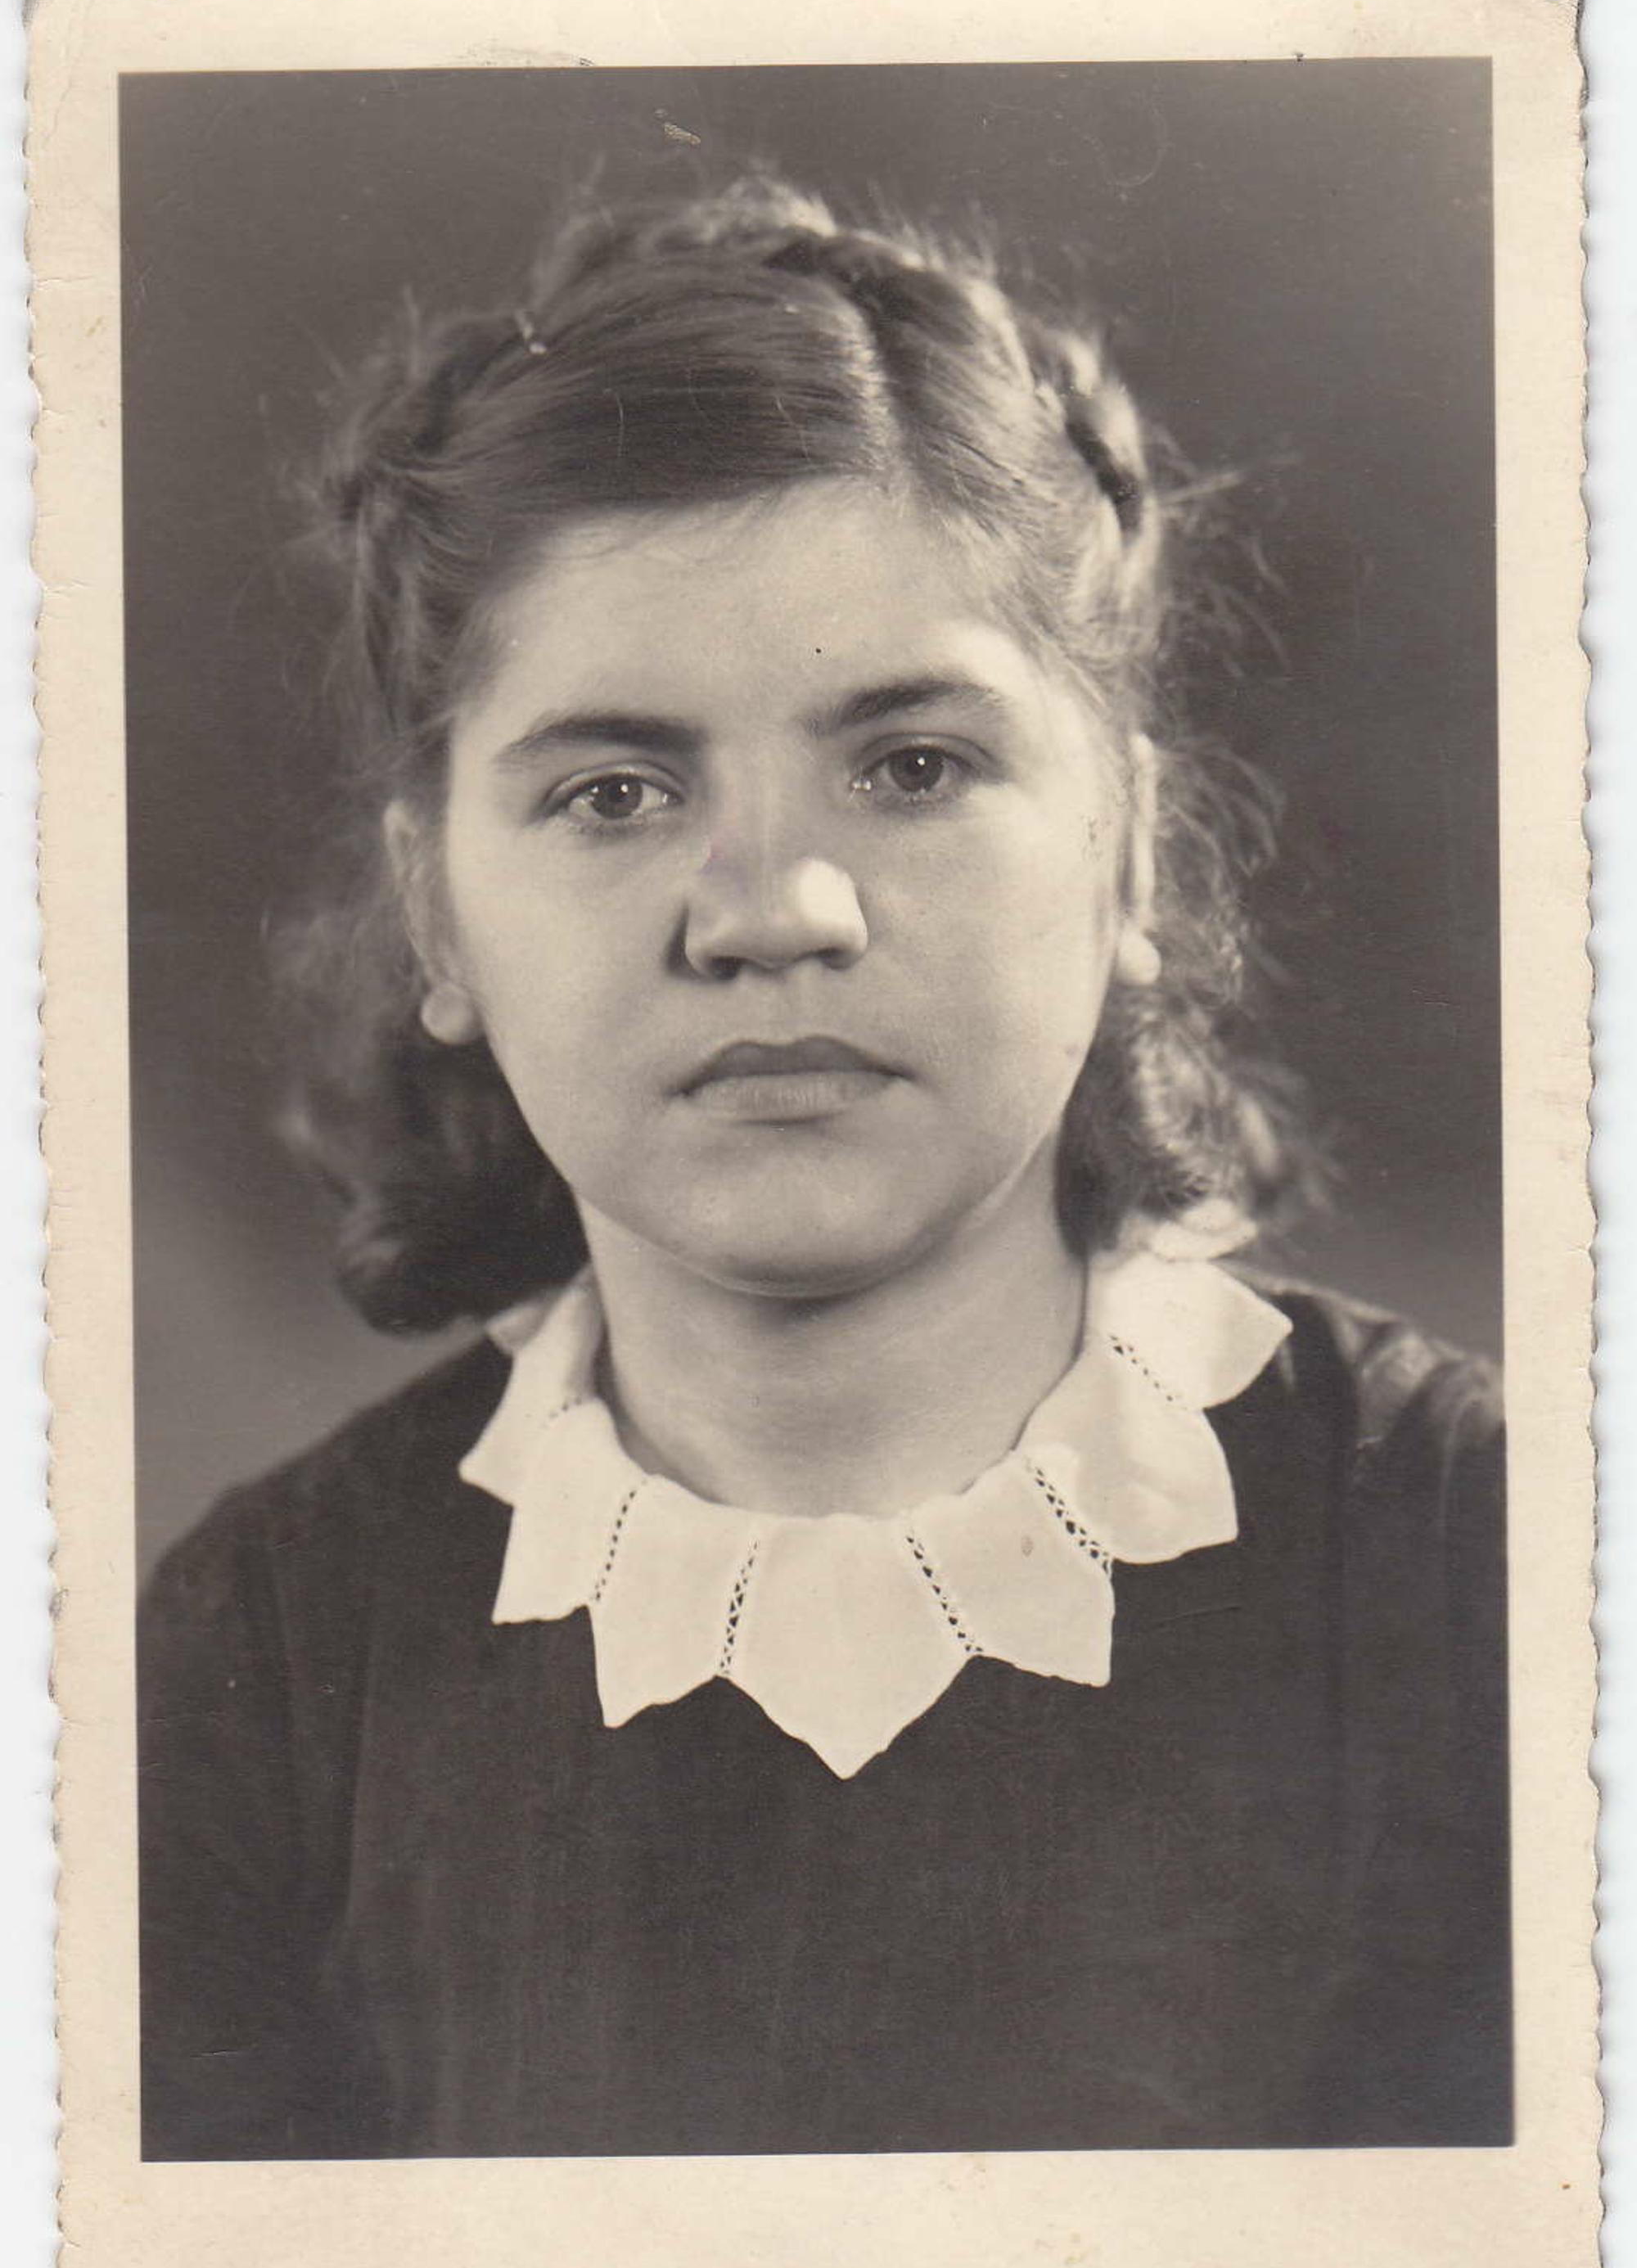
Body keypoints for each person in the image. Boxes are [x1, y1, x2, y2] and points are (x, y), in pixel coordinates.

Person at [138, 178, 1509, 2162]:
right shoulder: (265, 1670)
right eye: (615, 790)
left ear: (1124, 848)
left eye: (912, 766)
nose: (773, 906)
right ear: (436, 910)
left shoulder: (1485, 1555)